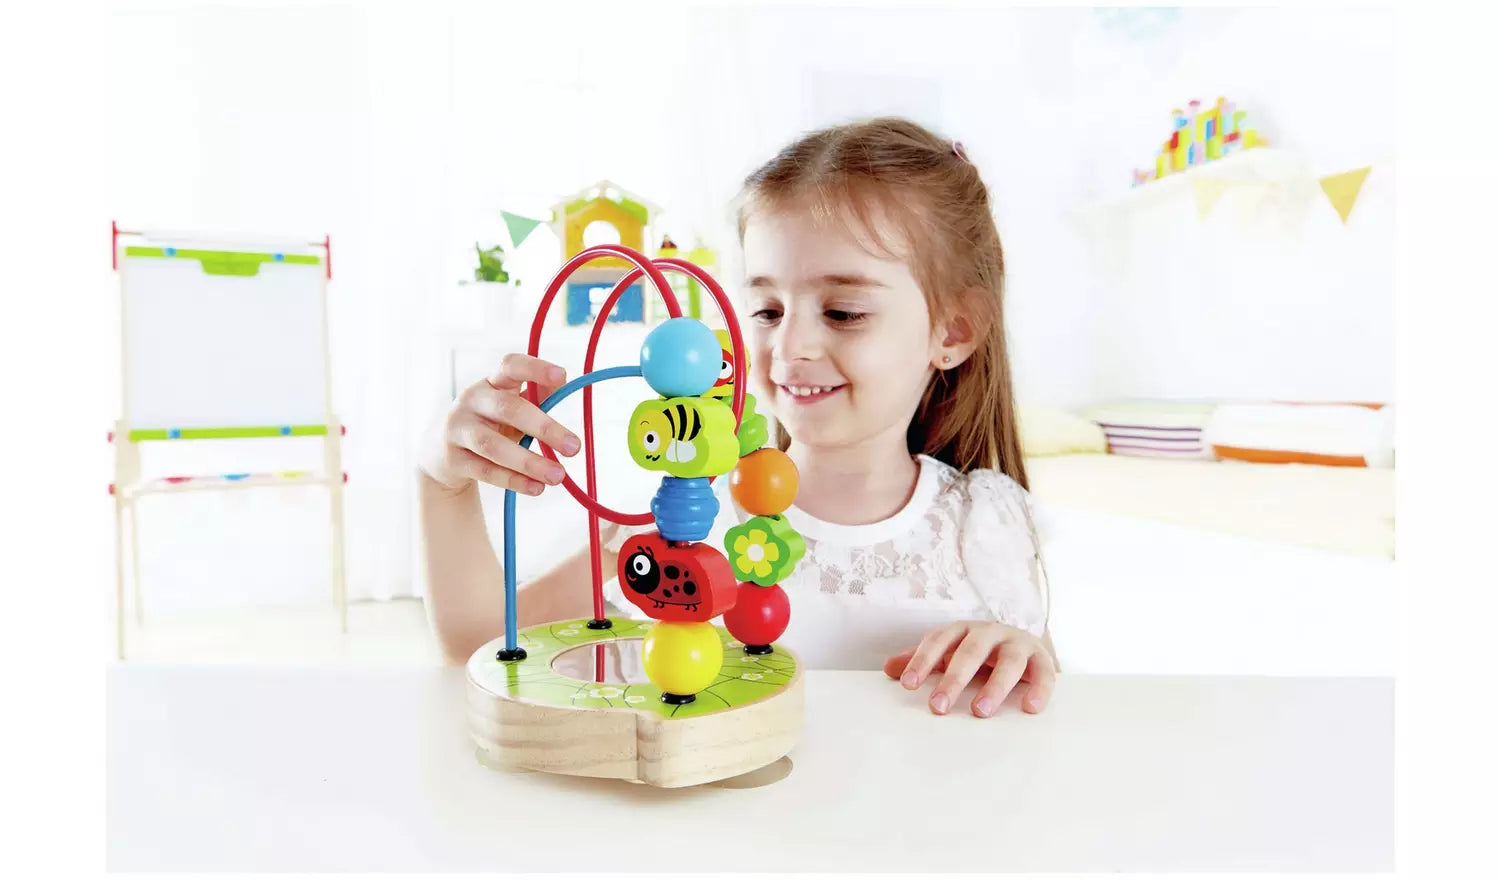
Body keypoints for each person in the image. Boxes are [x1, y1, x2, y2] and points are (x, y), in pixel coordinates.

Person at [419, 118, 1057, 718]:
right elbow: (478, 643)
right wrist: (441, 482)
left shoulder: (987, 526)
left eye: (843, 312)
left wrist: (1017, 654)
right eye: (768, 310)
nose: (790, 346)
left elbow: (1038, 693)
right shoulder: (685, 517)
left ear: (954, 329)